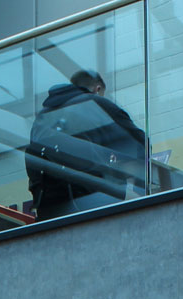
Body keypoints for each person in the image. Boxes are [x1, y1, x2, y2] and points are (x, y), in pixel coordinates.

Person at [26, 70, 149, 220]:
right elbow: (139, 143)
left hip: (50, 210)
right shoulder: (96, 104)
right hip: (94, 201)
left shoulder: (41, 120)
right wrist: (132, 185)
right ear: (97, 90)